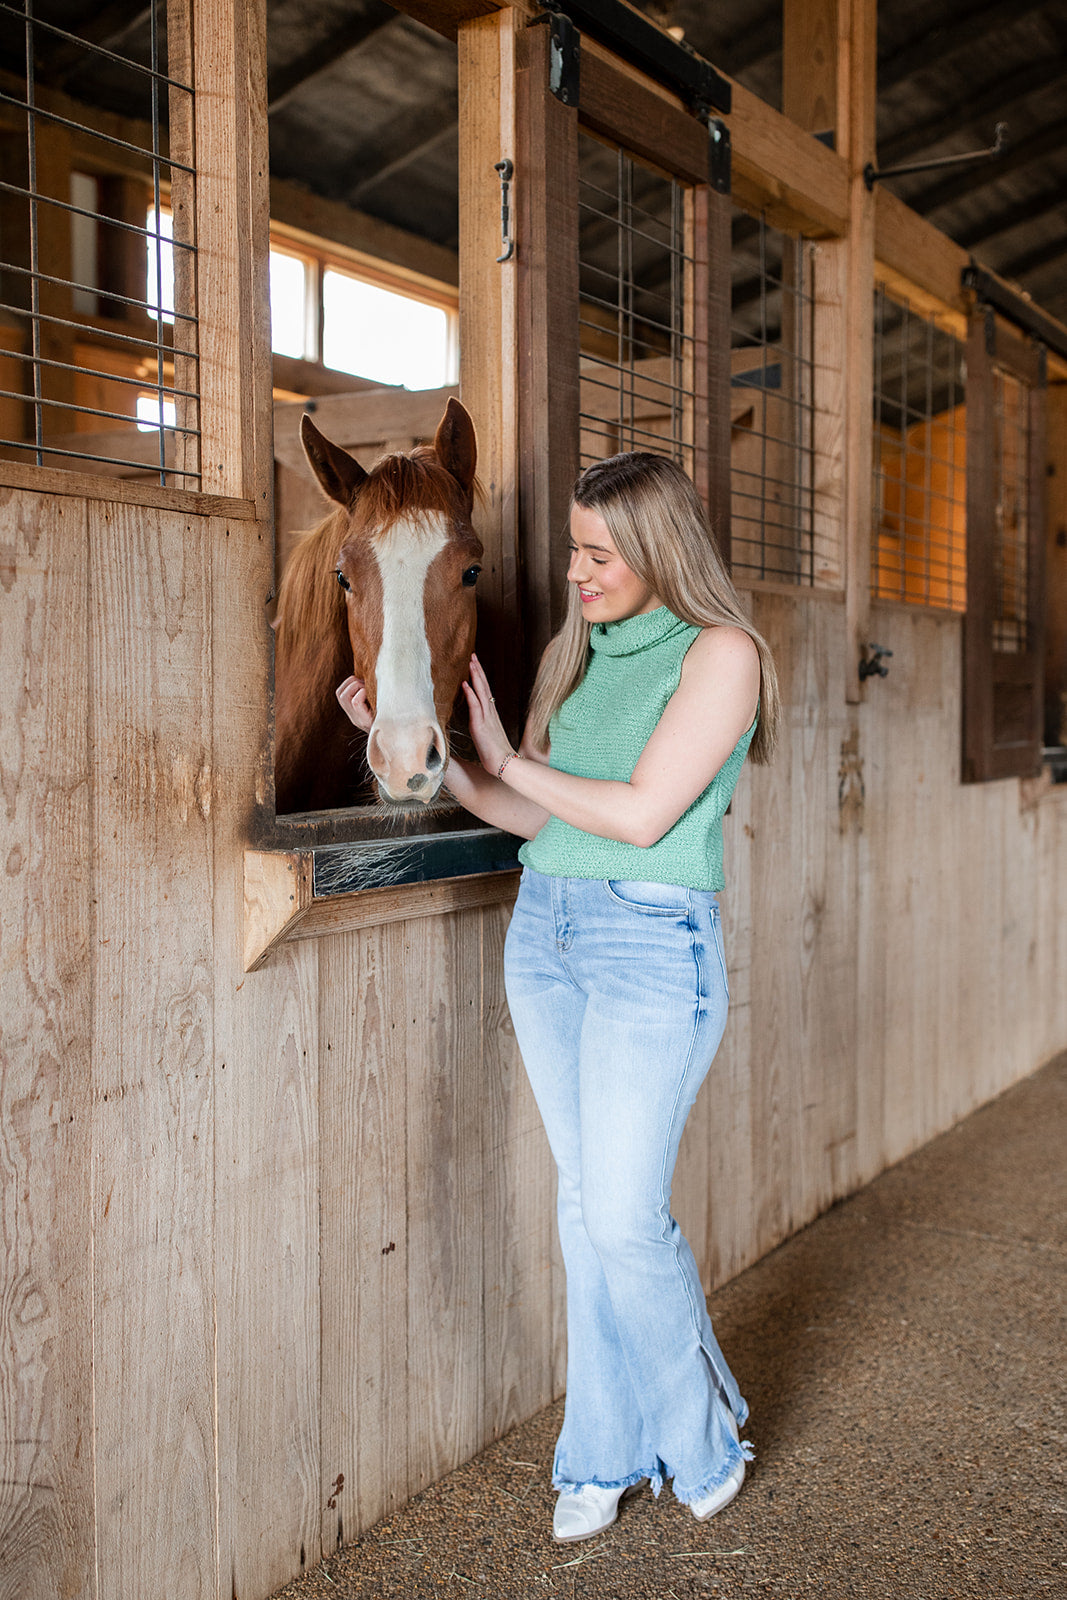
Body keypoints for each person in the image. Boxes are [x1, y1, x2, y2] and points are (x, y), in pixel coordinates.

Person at [337, 450, 779, 1543]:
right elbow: (537, 818)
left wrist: (501, 754)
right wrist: (426, 752)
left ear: (659, 549)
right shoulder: (572, 654)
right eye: (573, 547)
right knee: (584, 1214)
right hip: (547, 934)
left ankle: (703, 1430)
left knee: (624, 1215)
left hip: (647, 946)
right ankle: (599, 1453)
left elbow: (636, 814)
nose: (576, 570)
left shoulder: (721, 655)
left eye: (597, 552)